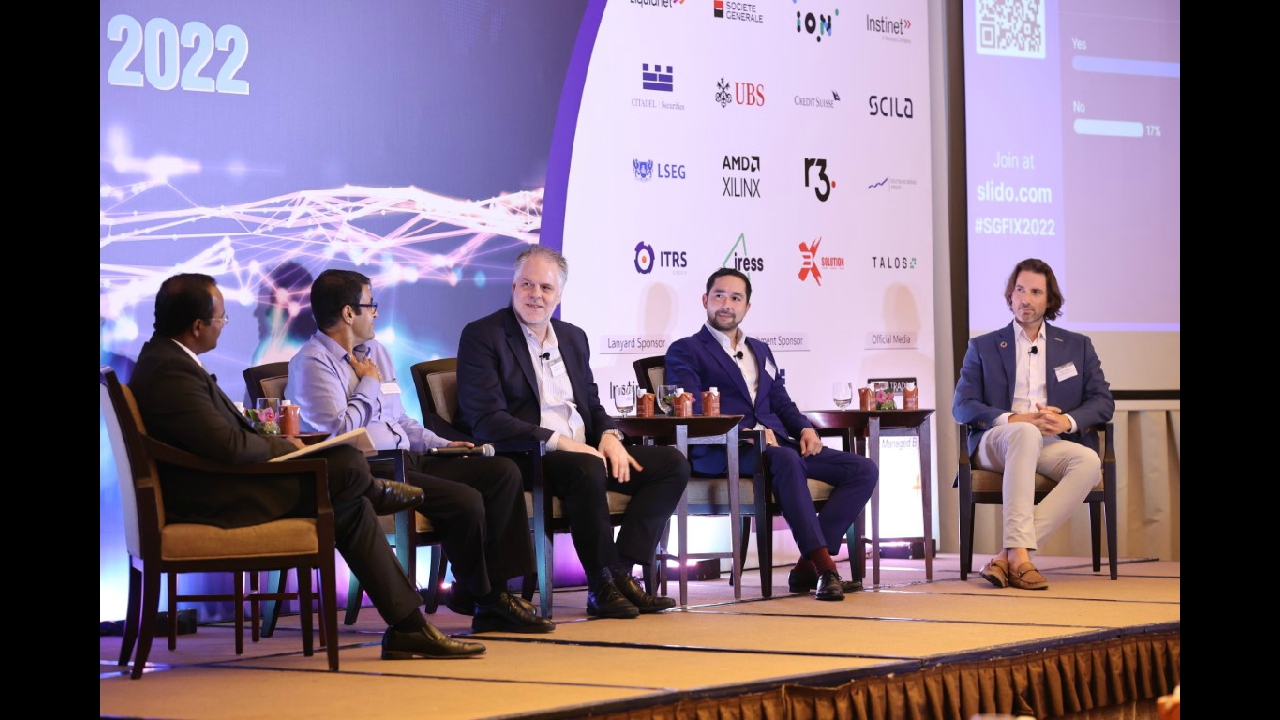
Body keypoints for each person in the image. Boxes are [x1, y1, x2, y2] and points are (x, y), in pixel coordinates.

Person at [128, 273, 485, 660]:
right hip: (216, 498)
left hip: (224, 485)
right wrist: (284, 446)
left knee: (349, 501)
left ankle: (408, 626)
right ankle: (376, 495)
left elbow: (222, 438)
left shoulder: (167, 361)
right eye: (222, 318)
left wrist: (282, 446)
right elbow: (228, 445)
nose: (224, 325)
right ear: (198, 326)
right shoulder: (170, 371)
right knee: (346, 464)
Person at [288, 269, 553, 634]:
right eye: (371, 305)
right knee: (464, 500)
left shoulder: (377, 352)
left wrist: (441, 444)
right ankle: (488, 599)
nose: (376, 313)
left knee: (502, 472)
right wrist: (368, 384)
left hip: (410, 457)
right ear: (349, 313)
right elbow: (339, 434)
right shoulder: (312, 362)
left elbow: (400, 420)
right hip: (371, 468)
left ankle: (492, 592)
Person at [456, 245, 690, 619]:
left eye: (546, 287)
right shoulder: (484, 335)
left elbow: (592, 405)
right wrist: (562, 443)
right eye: (527, 284)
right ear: (514, 286)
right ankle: (600, 586)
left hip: (584, 453)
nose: (535, 294)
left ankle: (621, 572)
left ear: (560, 294)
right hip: (529, 457)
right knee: (586, 467)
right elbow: (486, 419)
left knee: (671, 464)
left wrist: (610, 436)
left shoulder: (573, 337)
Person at [664, 268, 879, 602]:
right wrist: (750, 434)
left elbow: (781, 402)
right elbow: (691, 407)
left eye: (736, 298)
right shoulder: (686, 350)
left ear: (747, 307)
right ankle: (825, 568)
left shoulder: (760, 350)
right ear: (705, 301)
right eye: (719, 296)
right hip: (722, 449)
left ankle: (806, 565)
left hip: (776, 448)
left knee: (862, 469)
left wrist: (805, 428)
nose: (726, 304)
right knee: (785, 459)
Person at [952, 258, 1114, 591]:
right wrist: (1015, 419)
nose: (1025, 299)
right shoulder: (983, 346)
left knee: (1088, 461)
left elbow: (1102, 402)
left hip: (1049, 441)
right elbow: (962, 406)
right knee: (1025, 432)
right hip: (997, 440)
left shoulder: (1077, 346)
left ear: (1049, 300)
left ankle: (1010, 555)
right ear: (1010, 296)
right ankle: (1019, 559)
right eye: (1020, 290)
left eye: (1035, 292)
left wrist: (1065, 421)